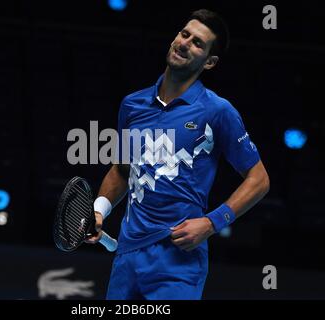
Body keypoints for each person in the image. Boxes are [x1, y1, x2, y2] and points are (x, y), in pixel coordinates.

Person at [86, 9, 270, 300]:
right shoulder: (133, 105)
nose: (185, 43)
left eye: (198, 42)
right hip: (127, 255)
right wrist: (100, 210)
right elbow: (122, 169)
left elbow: (259, 179)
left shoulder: (217, 111)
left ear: (209, 62)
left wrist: (212, 223)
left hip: (178, 262)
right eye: (184, 34)